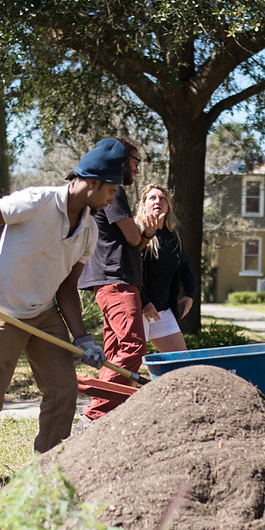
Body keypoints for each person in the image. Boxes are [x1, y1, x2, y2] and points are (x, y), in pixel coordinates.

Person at [0, 138, 125, 508]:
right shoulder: (36, 201)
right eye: (112, 190)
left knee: (63, 390)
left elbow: (68, 289)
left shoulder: (89, 230)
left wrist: (83, 337)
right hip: (3, 311)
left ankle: (45, 472)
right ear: (92, 182)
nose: (113, 199)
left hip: (42, 313)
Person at [76, 139, 162, 422]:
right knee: (133, 346)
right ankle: (95, 414)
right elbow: (134, 238)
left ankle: (106, 415)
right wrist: (147, 231)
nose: (137, 171)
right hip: (116, 282)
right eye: (136, 163)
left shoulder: (108, 190)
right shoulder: (114, 191)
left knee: (114, 352)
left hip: (113, 282)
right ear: (124, 160)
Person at [136, 184, 195, 352]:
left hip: (161, 311)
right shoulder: (135, 232)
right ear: (143, 205)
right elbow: (127, 273)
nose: (158, 201)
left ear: (168, 205)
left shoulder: (173, 236)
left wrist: (190, 294)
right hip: (137, 309)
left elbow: (185, 267)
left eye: (162, 198)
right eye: (152, 198)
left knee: (180, 361)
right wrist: (144, 303)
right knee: (128, 365)